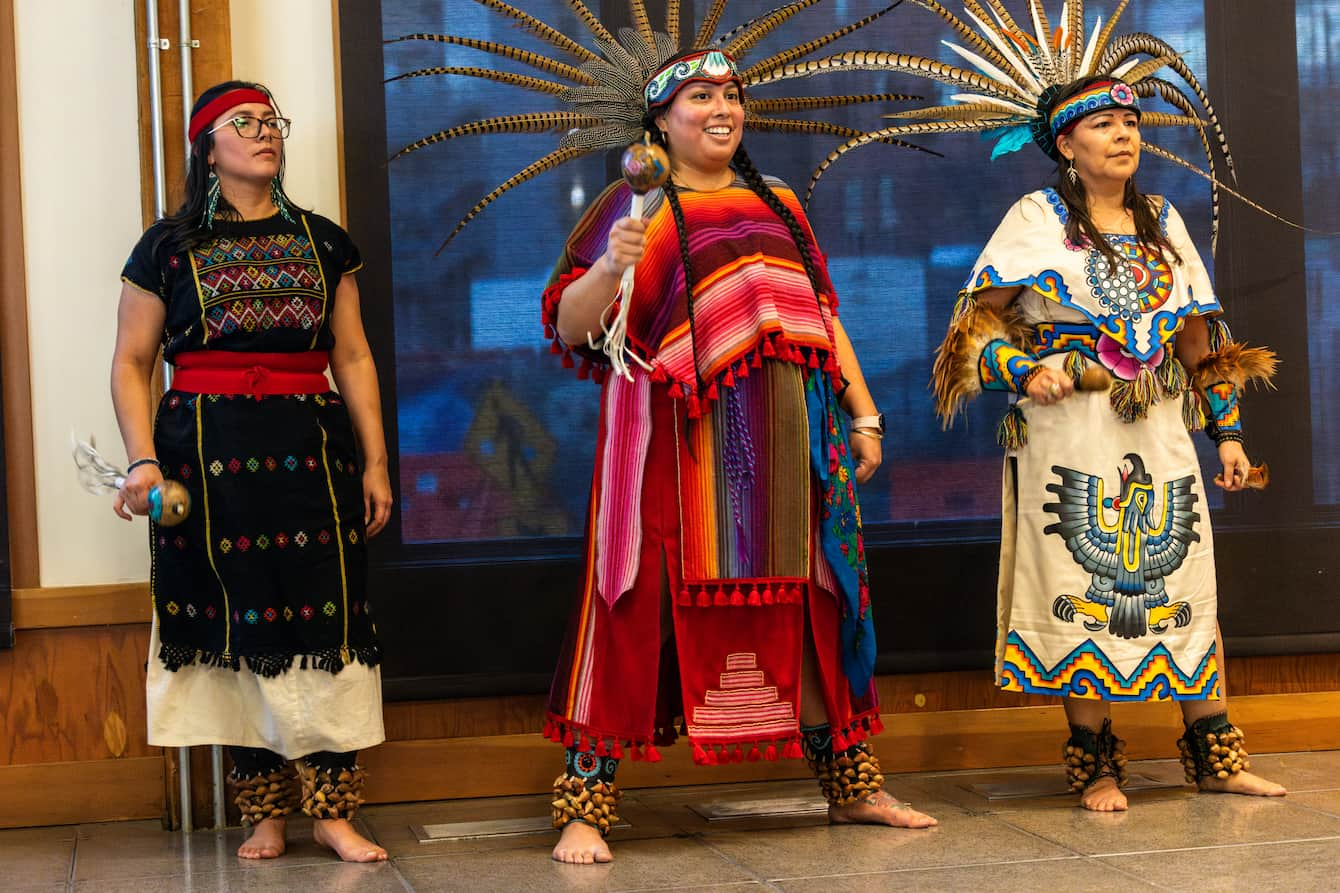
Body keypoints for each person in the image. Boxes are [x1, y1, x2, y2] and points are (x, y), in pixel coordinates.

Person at [540, 49, 937, 866]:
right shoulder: (632, 204)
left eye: (730, 95)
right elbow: (570, 326)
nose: (720, 108)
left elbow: (822, 320)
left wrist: (864, 414)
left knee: (814, 598)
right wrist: (613, 265)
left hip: (789, 432)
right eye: (698, 96)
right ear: (658, 121)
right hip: (667, 440)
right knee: (631, 600)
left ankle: (852, 786)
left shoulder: (779, 202)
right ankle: (586, 803)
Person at [932, 74, 1287, 811]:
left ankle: (1215, 753)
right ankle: (1095, 764)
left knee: (1184, 577)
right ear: (1066, 144)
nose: (1123, 134)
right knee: (1078, 581)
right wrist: (1024, 371)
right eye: (1101, 124)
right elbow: (973, 329)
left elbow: (1196, 339)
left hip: (1157, 426)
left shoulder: (1162, 219)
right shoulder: (1034, 217)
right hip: (1068, 428)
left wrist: (1228, 435)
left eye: (1130, 122)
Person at [112, 81, 392, 860]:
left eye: (273, 123)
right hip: (203, 462)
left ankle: (333, 812)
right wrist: (141, 459)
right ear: (209, 145)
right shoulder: (166, 248)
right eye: (247, 123)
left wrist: (374, 461)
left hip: (312, 455)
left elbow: (354, 355)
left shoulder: (324, 240)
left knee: (325, 625)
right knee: (235, 628)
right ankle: (263, 812)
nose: (266, 134)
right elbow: (133, 363)